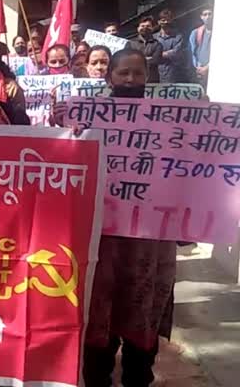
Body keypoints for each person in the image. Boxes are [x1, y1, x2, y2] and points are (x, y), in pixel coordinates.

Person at [83, 48, 176, 387]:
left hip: (149, 246)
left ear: (148, 78)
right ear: (110, 77)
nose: (131, 80)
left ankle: (139, 376)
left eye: (138, 73)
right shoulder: (88, 120)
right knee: (99, 328)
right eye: (123, 73)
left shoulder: (170, 124)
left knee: (142, 327)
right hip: (102, 243)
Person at [155, 9, 194, 83]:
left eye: (168, 20)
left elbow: (176, 53)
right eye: (163, 20)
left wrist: (158, 54)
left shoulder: (178, 36)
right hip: (157, 76)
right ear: (159, 22)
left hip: (174, 75)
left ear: (171, 21)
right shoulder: (154, 37)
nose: (166, 22)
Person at [128, 16, 163, 83]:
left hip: (152, 80)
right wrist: (147, 59)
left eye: (148, 26)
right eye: (142, 26)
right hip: (134, 80)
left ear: (152, 28)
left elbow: (155, 60)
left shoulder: (157, 44)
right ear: (138, 28)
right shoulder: (130, 43)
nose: (145, 28)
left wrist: (136, 59)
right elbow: (127, 60)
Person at [189, 6, 212, 85]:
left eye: (210, 14)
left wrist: (208, 67)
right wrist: (198, 67)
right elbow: (192, 52)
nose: (208, 17)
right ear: (201, 17)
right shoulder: (195, 33)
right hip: (198, 71)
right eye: (205, 14)